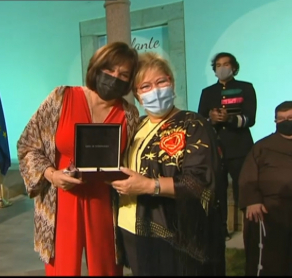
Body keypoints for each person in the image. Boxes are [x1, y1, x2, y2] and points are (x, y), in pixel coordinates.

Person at [17, 41, 140, 276]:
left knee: (107, 269)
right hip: (61, 199)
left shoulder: (130, 115)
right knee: (61, 270)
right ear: (96, 67)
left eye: (124, 74)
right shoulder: (61, 98)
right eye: (110, 69)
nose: (115, 77)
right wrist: (52, 175)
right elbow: (28, 144)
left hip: (105, 201)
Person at [110, 52, 225, 276]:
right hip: (131, 227)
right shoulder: (135, 127)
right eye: (145, 86)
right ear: (137, 95)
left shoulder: (193, 124)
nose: (154, 90)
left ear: (171, 82)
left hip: (175, 233)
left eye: (160, 81)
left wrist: (149, 186)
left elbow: (201, 184)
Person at [198, 52, 257, 237]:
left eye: (225, 64)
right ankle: (221, 229)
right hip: (216, 149)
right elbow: (200, 120)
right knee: (218, 191)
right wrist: (211, 119)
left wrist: (230, 119)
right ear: (214, 70)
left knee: (244, 188)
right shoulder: (208, 93)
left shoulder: (246, 88)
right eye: (218, 65)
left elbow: (250, 118)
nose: (222, 68)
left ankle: (249, 227)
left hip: (240, 148)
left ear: (234, 67)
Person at [238, 101, 292, 276]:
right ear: (275, 121)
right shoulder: (262, 147)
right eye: (281, 119)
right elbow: (248, 177)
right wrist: (252, 201)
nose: (286, 121)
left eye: (290, 118)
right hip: (270, 209)